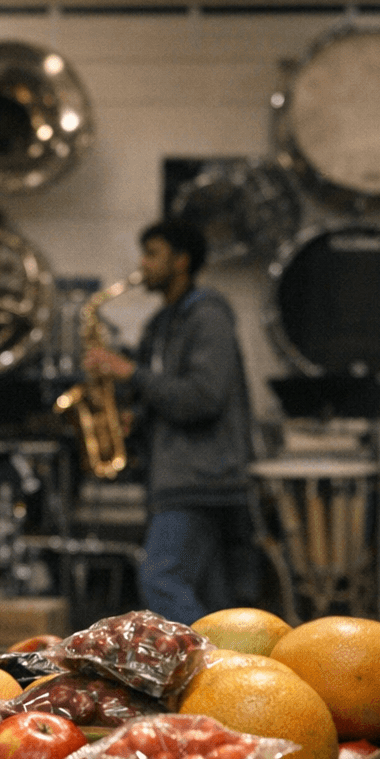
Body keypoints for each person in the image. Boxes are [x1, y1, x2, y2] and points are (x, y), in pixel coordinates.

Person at [82, 218, 257, 624]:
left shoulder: (208, 318)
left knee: (161, 580)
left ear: (182, 261)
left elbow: (203, 397)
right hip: (177, 479)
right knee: (216, 605)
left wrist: (130, 373)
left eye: (153, 254)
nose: (143, 264)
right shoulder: (159, 326)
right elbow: (164, 394)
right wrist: (132, 416)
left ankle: (209, 669)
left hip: (202, 480)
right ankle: (228, 676)